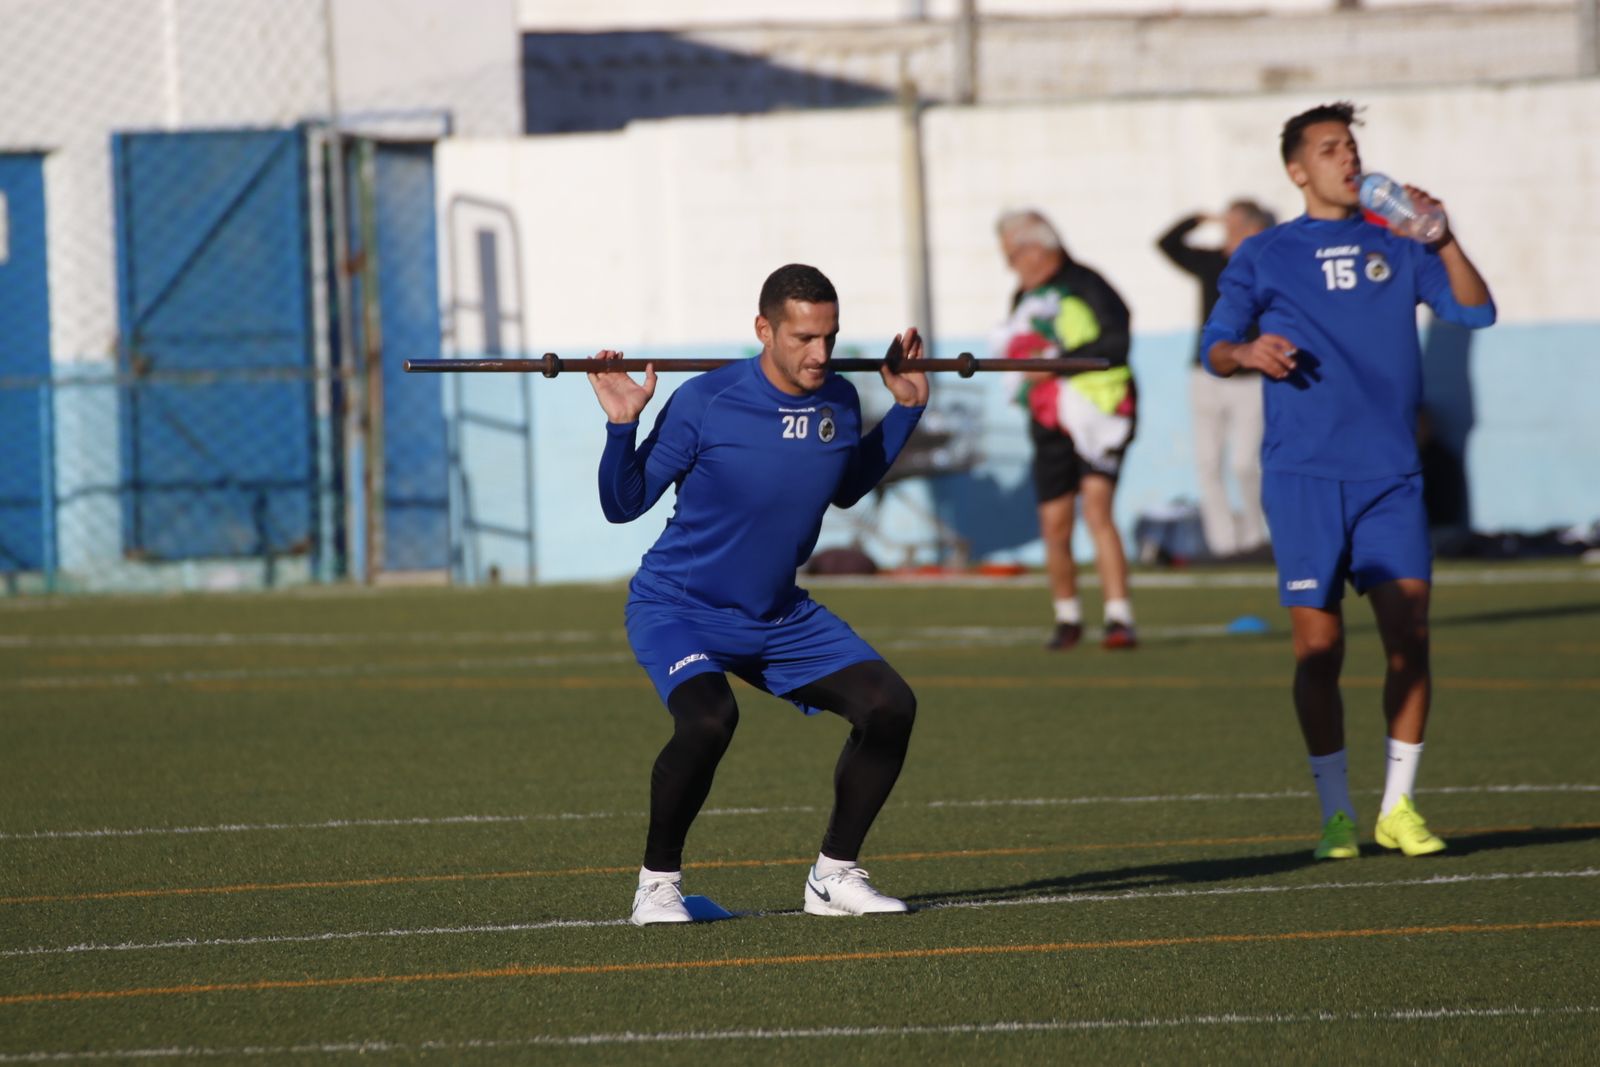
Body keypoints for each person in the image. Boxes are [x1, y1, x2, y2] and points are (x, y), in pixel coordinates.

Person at [588, 263, 930, 925]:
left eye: (829, 336)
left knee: (890, 705)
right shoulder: (704, 401)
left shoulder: (838, 397)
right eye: (803, 337)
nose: (820, 353)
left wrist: (907, 409)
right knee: (709, 719)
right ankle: (657, 888)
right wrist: (622, 425)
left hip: (777, 614)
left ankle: (834, 876)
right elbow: (623, 503)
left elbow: (847, 482)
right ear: (763, 330)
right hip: (678, 608)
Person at [1200, 102, 1494, 861]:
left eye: (1352, 146)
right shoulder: (1264, 253)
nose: (1348, 159)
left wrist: (1444, 234)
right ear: (1297, 170)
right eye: (1330, 149)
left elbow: (1476, 310)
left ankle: (1398, 805)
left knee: (1410, 638)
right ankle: (1337, 813)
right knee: (1319, 648)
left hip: (1390, 475)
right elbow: (1215, 347)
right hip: (1303, 475)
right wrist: (1247, 352)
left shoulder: (1396, 243)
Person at [993, 210, 1137, 650]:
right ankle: (1068, 615)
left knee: (1097, 510)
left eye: (1013, 254)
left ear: (1037, 248)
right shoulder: (1022, 296)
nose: (1010, 265)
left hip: (1100, 411)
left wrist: (1057, 359)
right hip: (1048, 417)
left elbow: (1117, 342)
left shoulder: (1087, 284)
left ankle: (1118, 616)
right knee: (1054, 522)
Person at [1157, 201, 1276, 560]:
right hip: (1206, 375)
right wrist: (1200, 218)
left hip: (1251, 379)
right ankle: (1223, 544)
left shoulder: (1268, 265)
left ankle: (1256, 538)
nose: (1230, 233)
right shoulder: (1213, 263)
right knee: (1208, 463)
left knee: (1245, 463)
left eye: (1238, 226)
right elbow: (1168, 244)